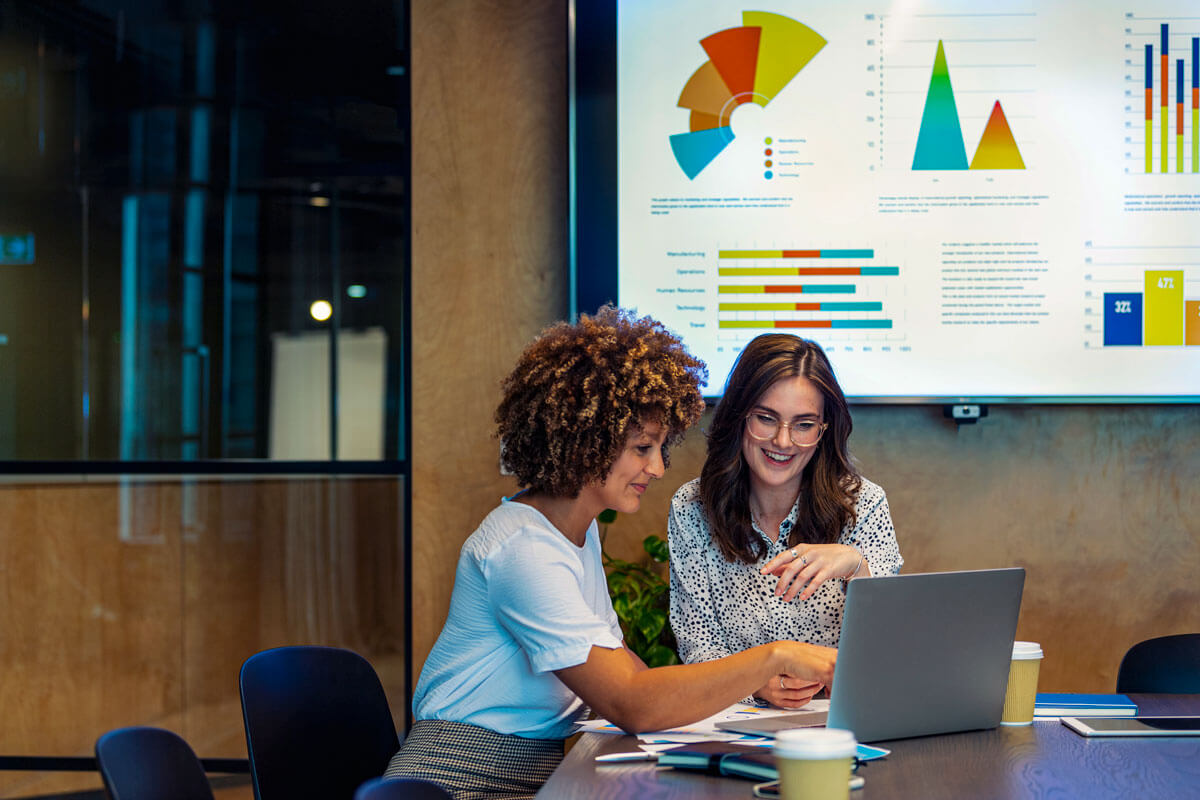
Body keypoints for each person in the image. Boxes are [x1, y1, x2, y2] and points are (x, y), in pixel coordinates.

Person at [386, 308, 837, 800]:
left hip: (535, 768)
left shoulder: (575, 533)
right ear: (587, 442)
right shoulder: (522, 550)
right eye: (642, 448)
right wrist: (776, 657)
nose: (658, 468)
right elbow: (629, 701)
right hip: (457, 777)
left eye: (661, 448)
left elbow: (629, 673)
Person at [669, 333, 902, 710]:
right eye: (766, 418)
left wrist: (856, 565)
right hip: (733, 722)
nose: (782, 441)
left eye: (804, 425)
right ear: (739, 417)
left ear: (824, 431)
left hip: (840, 721)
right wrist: (756, 685)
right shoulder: (692, 507)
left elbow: (890, 644)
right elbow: (697, 642)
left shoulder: (865, 504)